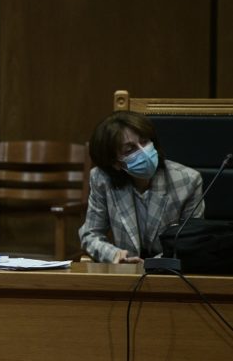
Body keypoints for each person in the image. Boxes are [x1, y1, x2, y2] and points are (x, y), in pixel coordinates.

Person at [79, 111, 204, 263]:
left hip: (169, 270)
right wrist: (114, 255)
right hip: (125, 270)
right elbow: (90, 235)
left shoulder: (188, 180)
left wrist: (152, 264)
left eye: (144, 142)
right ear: (115, 163)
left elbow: (191, 242)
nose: (143, 152)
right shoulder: (102, 179)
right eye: (130, 149)